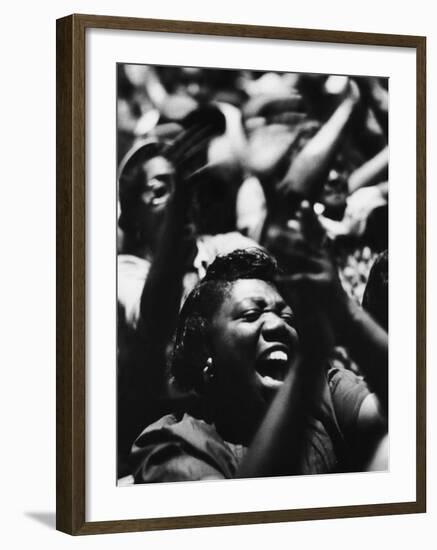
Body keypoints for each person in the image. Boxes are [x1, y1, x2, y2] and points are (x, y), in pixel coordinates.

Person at [129, 215, 388, 482]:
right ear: (204, 348)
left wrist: (344, 311)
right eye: (251, 314)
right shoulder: (171, 443)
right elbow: (239, 520)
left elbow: (408, 412)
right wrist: (307, 363)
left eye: (288, 317)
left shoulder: (327, 393)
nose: (278, 325)